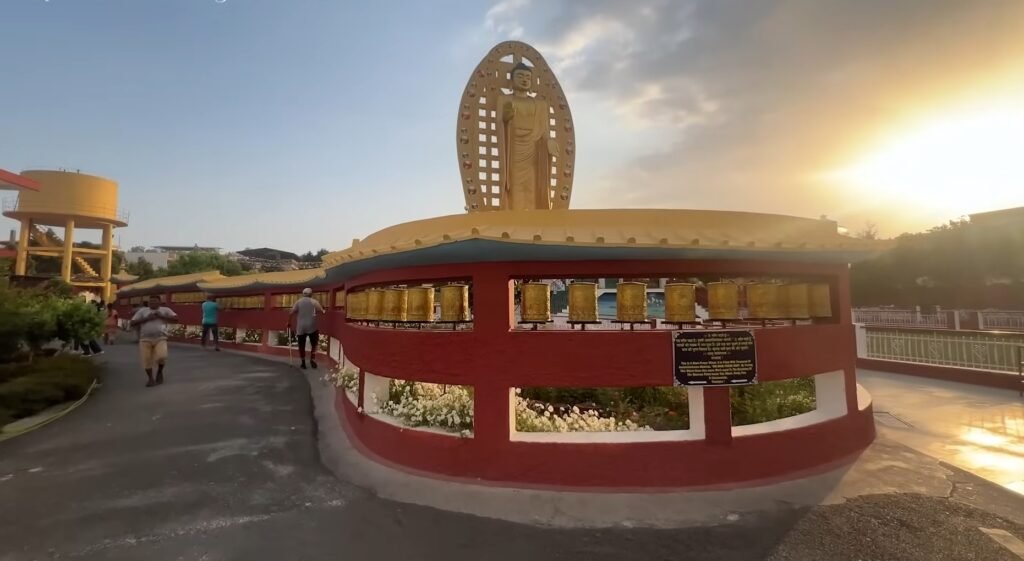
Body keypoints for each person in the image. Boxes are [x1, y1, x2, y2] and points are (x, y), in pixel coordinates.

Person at [130, 295, 178, 387]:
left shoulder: (165, 310)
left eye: (155, 301)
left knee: (162, 356)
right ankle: (150, 379)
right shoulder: (143, 311)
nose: (152, 303)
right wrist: (147, 318)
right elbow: (132, 322)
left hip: (160, 338)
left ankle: (159, 372)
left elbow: (176, 319)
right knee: (146, 360)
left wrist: (161, 316)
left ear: (159, 302)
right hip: (145, 339)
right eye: (151, 302)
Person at [287, 287, 324, 369]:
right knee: (314, 344)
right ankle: (312, 359)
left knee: (301, 345)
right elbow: (322, 311)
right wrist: (318, 312)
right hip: (312, 326)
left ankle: (303, 363)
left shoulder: (298, 302)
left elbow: (291, 312)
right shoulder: (314, 301)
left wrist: (289, 322)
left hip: (301, 327)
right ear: (311, 294)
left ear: (303, 294)